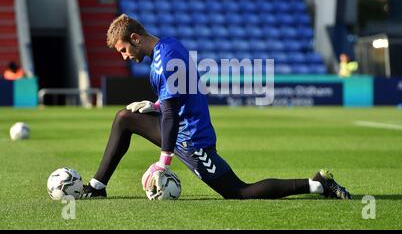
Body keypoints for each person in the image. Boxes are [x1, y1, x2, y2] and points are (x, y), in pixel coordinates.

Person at [81, 14, 352, 200]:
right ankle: (97, 186)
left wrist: (163, 163)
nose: (125, 56)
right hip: (182, 131)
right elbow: (177, 97)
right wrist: (154, 105)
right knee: (124, 118)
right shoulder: (168, 46)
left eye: (124, 50)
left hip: (192, 140)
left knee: (239, 192)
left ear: (136, 38)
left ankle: (317, 184)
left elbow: (173, 113)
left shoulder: (165, 59)